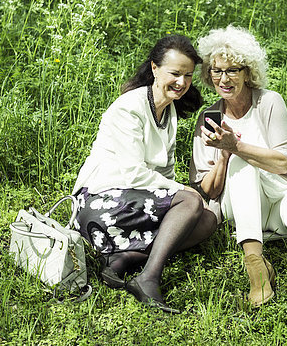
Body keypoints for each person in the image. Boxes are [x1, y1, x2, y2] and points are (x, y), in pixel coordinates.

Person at [189, 25, 287, 321]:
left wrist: (236, 143)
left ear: (247, 71)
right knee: (241, 162)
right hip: (242, 209)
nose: (223, 79)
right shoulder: (208, 117)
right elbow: (209, 190)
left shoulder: (269, 102)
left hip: (281, 199)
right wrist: (226, 154)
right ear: (208, 73)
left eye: (232, 70)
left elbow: (283, 164)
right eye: (216, 71)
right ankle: (256, 267)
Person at [72, 34, 217, 313]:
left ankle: (125, 258)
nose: (182, 82)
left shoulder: (169, 111)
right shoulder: (130, 107)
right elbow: (133, 173)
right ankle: (149, 277)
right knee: (190, 200)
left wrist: (185, 195)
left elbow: (165, 171)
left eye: (188, 76)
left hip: (134, 203)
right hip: (98, 204)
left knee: (208, 219)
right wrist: (185, 193)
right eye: (175, 73)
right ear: (154, 69)